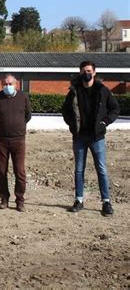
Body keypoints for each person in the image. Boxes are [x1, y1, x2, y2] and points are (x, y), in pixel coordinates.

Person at [62, 60, 120, 216]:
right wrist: (71, 125)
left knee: (101, 169)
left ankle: (106, 202)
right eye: (83, 71)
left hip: (97, 137)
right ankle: (79, 200)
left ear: (94, 72)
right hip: (79, 137)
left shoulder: (103, 91)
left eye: (89, 71)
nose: (86, 73)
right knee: (79, 170)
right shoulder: (74, 90)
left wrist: (104, 122)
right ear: (80, 72)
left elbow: (115, 109)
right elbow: (65, 110)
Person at [0, 74, 31, 212]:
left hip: (18, 140)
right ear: (1, 84)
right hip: (0, 140)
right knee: (1, 171)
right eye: (5, 84)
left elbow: (28, 115)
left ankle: (20, 200)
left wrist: (17, 127)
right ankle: (4, 199)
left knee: (20, 171)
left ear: (16, 84)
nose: (8, 86)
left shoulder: (23, 97)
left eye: (10, 84)